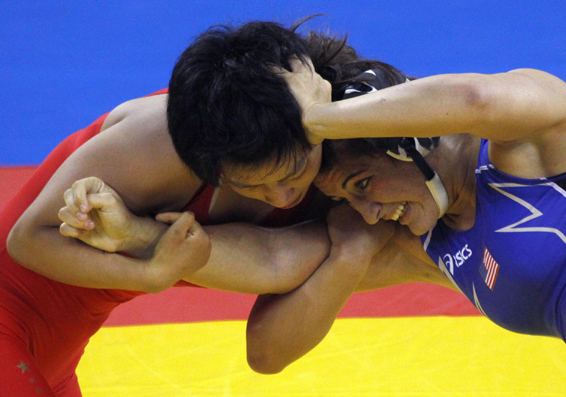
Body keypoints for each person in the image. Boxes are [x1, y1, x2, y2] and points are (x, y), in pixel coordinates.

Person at [2, 18, 452, 395]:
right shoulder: (161, 143)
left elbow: (270, 337)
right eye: (254, 185)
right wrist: (148, 273)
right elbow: (27, 238)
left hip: (54, 357)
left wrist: (352, 253)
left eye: (294, 171)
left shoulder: (351, 167)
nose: (282, 196)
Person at [244, 57, 566, 371]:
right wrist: (350, 253)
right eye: (347, 199)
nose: (368, 215)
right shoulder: (423, 242)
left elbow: (475, 99)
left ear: (409, 141)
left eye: (363, 184)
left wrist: (318, 119)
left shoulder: (535, 143)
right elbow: (266, 352)